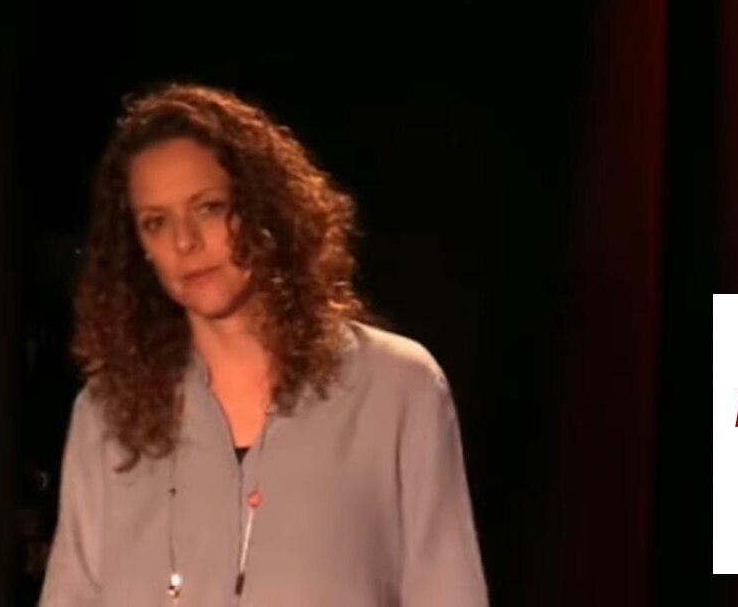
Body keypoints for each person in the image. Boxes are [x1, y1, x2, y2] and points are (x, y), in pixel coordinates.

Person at [39, 83, 488, 606]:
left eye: (208, 208)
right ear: (139, 247)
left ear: (261, 210)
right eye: (156, 223)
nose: (185, 242)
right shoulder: (108, 416)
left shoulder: (396, 388)